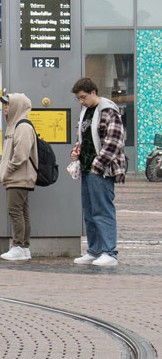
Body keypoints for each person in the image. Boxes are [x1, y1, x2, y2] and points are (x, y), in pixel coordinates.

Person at [71, 77, 124, 267]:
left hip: (101, 170)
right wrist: (77, 151)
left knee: (102, 211)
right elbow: (83, 138)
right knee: (90, 211)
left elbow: (114, 142)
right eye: (78, 98)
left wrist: (97, 165)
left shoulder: (109, 111)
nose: (81, 101)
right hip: (87, 168)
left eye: (83, 97)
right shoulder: (86, 112)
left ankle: (109, 252)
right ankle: (94, 250)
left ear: (94, 92)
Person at [0, 92, 37, 261]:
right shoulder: (14, 126)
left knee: (15, 211)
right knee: (21, 212)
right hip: (18, 177)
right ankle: (23, 247)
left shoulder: (22, 127)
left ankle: (19, 245)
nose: (5, 108)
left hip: (19, 177)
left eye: (8, 105)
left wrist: (6, 170)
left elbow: (20, 155)